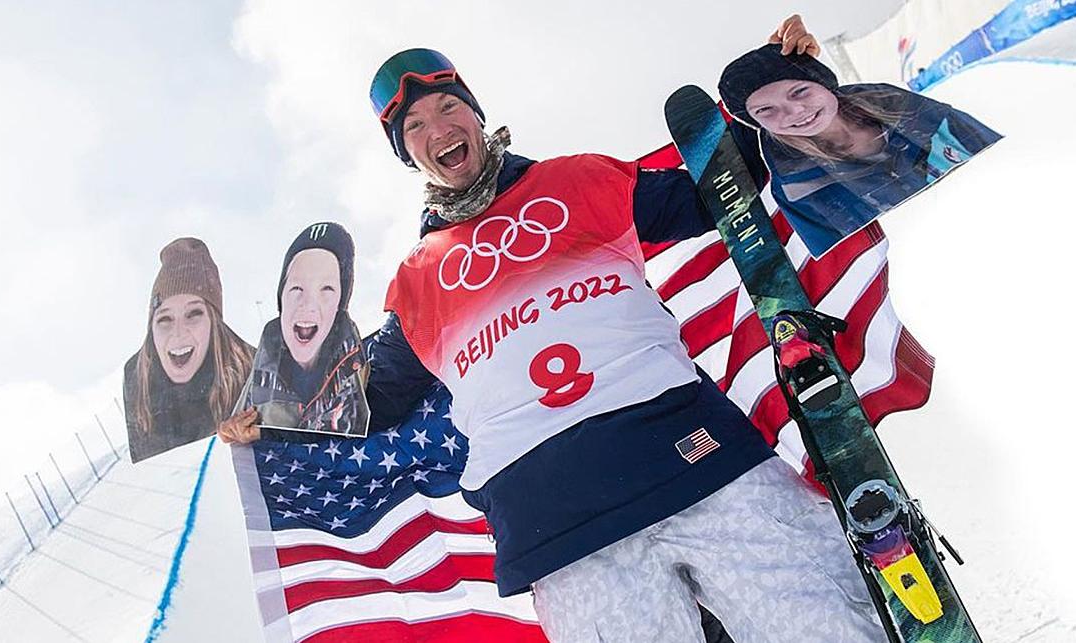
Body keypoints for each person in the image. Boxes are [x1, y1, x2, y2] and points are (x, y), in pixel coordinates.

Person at [219, 16, 883, 643]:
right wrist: (274, 413)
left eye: (449, 107)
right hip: (559, 526)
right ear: (409, 155)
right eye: (415, 125)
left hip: (695, 454)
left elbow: (714, 194)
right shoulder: (420, 278)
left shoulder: (576, 179)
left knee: (826, 622)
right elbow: (374, 397)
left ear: (475, 115)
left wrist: (776, 86)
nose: (438, 126)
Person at [719, 42, 1001, 258]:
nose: (795, 112)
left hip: (992, 213)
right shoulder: (797, 189)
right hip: (928, 260)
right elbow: (849, 264)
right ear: (755, 122)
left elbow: (988, 149)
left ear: (823, 82)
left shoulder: (900, 107)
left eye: (800, 91)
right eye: (766, 110)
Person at [225, 222, 369, 443]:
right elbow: (236, 435)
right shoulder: (267, 360)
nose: (308, 305)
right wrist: (232, 431)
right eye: (296, 289)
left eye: (326, 289)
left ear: (340, 303)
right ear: (281, 296)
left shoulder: (356, 363)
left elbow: (346, 446)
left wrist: (267, 435)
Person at [124, 237, 254, 463]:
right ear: (151, 326)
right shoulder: (137, 374)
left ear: (214, 322)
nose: (178, 333)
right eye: (165, 318)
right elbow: (149, 466)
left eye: (194, 314)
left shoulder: (252, 366)